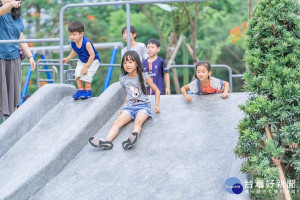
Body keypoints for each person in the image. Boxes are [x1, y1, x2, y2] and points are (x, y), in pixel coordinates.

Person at [89, 51, 160, 150]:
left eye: (130, 62)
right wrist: (124, 107)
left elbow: (157, 90)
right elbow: (128, 94)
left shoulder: (144, 76)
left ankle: (131, 139)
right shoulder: (123, 78)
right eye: (125, 63)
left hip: (143, 107)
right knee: (117, 123)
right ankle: (107, 141)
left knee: (138, 122)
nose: (127, 65)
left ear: (136, 63)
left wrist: (156, 105)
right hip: (129, 107)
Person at [0, 0, 36, 120]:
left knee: (14, 96)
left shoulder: (16, 17)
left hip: (14, 59)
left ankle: (12, 129)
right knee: (2, 96)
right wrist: (10, 4)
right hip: (1, 58)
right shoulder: (2, 13)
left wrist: (30, 56)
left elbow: (20, 37)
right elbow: (1, 11)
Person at [62, 21, 100, 100]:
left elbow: (92, 55)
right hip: (82, 61)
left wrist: (86, 67)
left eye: (74, 34)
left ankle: (88, 92)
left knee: (86, 75)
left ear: (81, 34)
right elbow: (75, 51)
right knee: (77, 74)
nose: (72, 36)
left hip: (93, 61)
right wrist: (67, 58)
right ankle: (80, 90)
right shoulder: (73, 43)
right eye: (70, 34)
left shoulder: (86, 43)